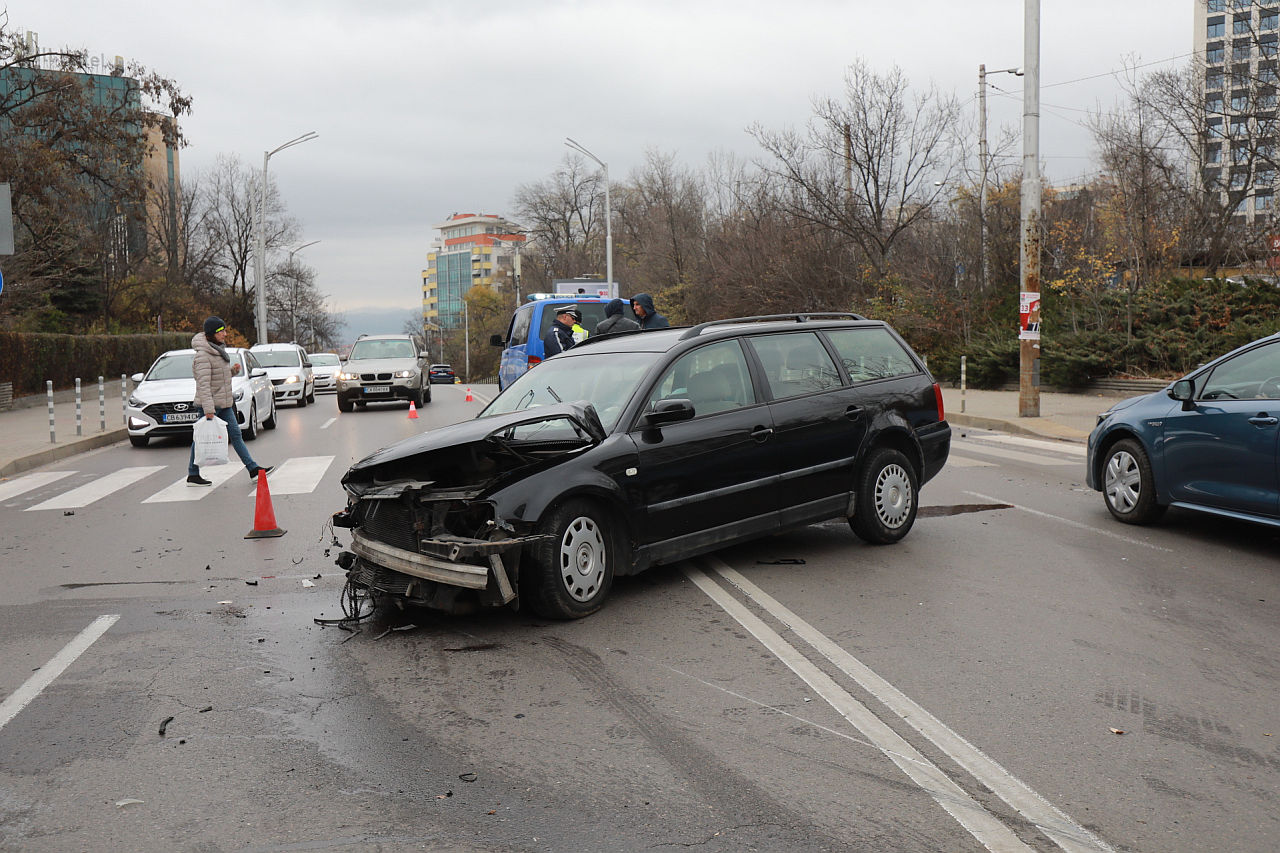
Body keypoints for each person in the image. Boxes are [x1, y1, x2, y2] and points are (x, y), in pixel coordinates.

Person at [187, 316, 273, 486]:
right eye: (221, 331)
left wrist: (232, 371)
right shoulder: (204, 355)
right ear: (212, 334)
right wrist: (209, 410)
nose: (225, 334)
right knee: (200, 438)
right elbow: (203, 384)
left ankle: (253, 469)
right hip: (211, 405)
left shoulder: (216, 350)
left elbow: (218, 378)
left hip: (224, 403)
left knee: (236, 435)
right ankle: (193, 474)